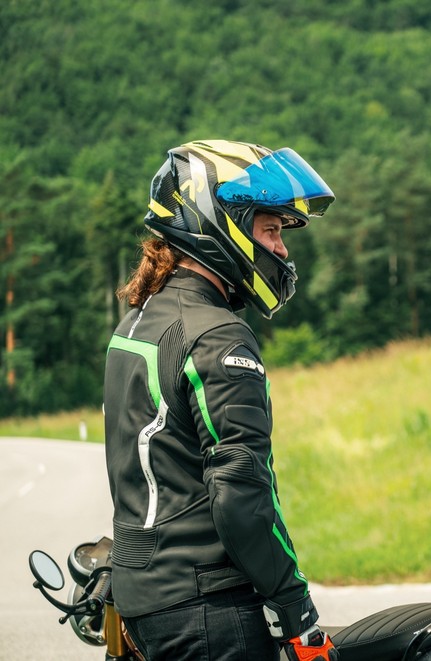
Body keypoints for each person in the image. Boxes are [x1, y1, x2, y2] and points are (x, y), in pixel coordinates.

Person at [104, 140, 338, 661]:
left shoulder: (138, 323)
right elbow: (241, 496)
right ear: (218, 221)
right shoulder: (218, 337)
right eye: (272, 230)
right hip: (208, 611)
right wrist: (297, 611)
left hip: (142, 604)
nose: (282, 249)